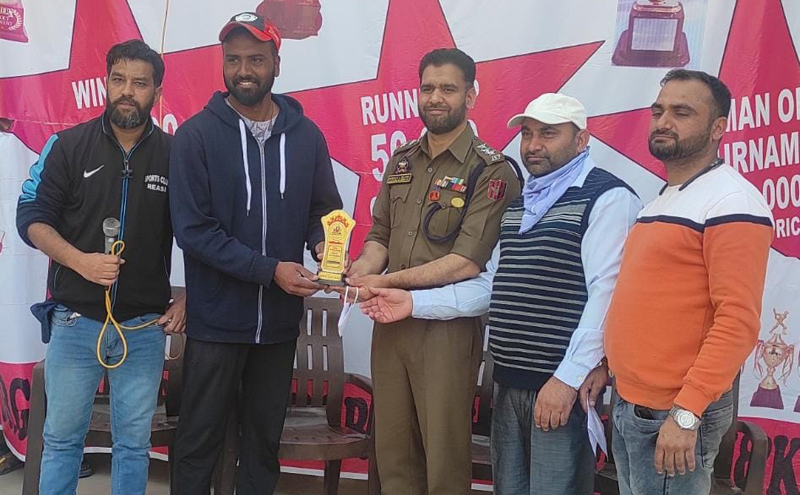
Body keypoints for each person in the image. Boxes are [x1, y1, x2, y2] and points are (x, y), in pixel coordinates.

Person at [360, 93, 642, 495]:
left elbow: (607, 296)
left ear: (582, 140)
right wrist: (413, 303)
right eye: (527, 133)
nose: (533, 145)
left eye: (549, 133)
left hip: (559, 387)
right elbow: (491, 284)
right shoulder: (522, 202)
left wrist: (566, 379)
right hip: (511, 381)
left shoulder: (608, 197)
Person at [169, 12, 342, 494]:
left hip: (279, 326)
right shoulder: (195, 136)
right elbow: (194, 231)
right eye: (234, 59)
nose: (245, 69)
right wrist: (271, 272)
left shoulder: (307, 137)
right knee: (198, 443)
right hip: (217, 323)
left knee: (263, 445)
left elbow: (324, 210)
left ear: (277, 64)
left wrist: (325, 244)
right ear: (223, 65)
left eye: (256, 59)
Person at [346, 48, 522, 495]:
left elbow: (466, 260)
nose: (436, 97)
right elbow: (379, 234)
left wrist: (383, 281)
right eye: (428, 88)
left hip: (445, 329)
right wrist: (362, 270)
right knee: (393, 450)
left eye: (448, 88)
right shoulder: (402, 159)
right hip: (389, 324)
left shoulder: (490, 168)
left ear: (471, 95)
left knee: (443, 456)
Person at [15, 40, 184, 495]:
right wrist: (79, 262)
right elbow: (30, 216)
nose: (127, 91)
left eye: (140, 83)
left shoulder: (177, 153)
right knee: (62, 440)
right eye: (119, 79)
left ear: (157, 92)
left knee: (133, 445)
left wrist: (187, 293)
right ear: (106, 83)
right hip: (75, 320)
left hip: (144, 326)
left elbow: (201, 231)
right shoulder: (67, 146)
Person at [604, 69, 774, 495]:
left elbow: (737, 322)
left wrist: (686, 414)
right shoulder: (667, 196)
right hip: (633, 404)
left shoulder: (732, 203)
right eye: (658, 110)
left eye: (682, 112)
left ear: (719, 128)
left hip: (674, 414)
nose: (664, 121)